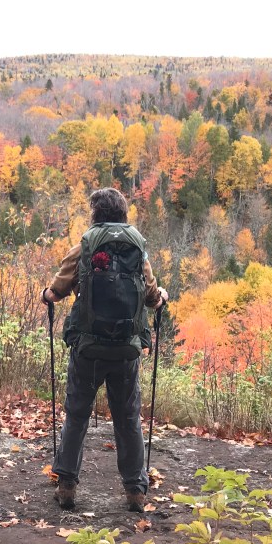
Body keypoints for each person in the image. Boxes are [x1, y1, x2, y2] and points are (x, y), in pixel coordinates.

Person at [41, 187, 168, 512]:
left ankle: (67, 486)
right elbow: (151, 296)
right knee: (128, 418)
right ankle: (136, 491)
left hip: (89, 348)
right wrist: (162, 299)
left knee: (77, 414)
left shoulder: (85, 245)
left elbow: (56, 291)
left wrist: (46, 295)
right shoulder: (137, 247)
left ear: (95, 214)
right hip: (126, 350)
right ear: (123, 214)